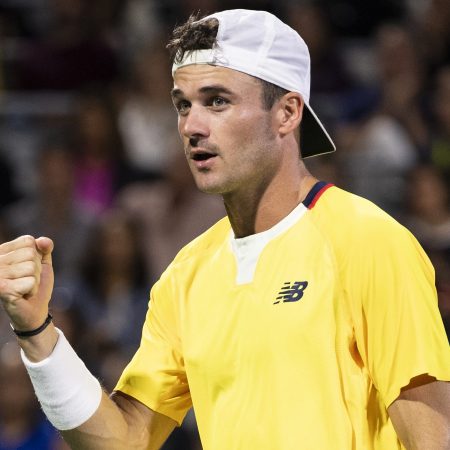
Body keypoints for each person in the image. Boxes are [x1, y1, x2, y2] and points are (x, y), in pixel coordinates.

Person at [0, 9, 449, 450]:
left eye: (217, 100)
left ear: (288, 113)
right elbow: (125, 440)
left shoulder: (369, 241)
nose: (192, 126)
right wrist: (37, 332)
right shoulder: (187, 274)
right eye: (183, 105)